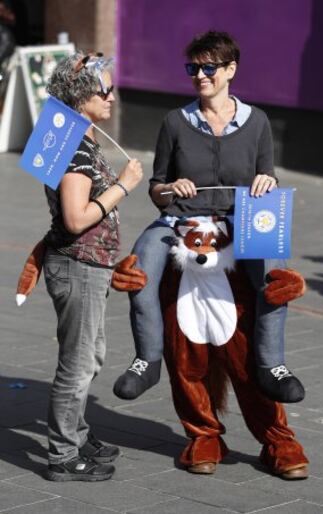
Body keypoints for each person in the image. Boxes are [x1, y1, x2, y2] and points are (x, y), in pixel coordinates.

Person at [113, 31, 304, 404]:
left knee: (276, 276)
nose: (200, 75)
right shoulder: (174, 121)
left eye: (209, 67)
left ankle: (271, 365)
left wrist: (267, 181)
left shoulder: (258, 121)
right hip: (180, 223)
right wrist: (171, 188)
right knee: (138, 269)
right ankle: (146, 359)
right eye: (193, 68)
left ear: (230, 70)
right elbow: (156, 188)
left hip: (240, 220)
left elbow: (268, 177)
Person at [42, 52, 143, 481]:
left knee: (90, 355)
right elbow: (75, 218)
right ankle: (63, 455)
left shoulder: (76, 135)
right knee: (78, 363)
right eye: (106, 90)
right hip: (77, 263)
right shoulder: (73, 146)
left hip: (88, 263)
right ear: (83, 95)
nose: (113, 97)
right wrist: (124, 185)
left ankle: (78, 434)